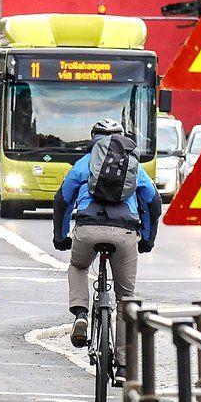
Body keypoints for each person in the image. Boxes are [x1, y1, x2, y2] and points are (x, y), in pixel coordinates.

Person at [52, 118, 162, 382]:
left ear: (92, 137)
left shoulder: (84, 163)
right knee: (126, 299)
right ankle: (123, 366)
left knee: (78, 266)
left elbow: (62, 200)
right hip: (125, 233)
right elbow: (154, 203)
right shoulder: (135, 165)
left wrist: (60, 235)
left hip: (88, 229)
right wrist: (147, 238)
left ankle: (81, 313)